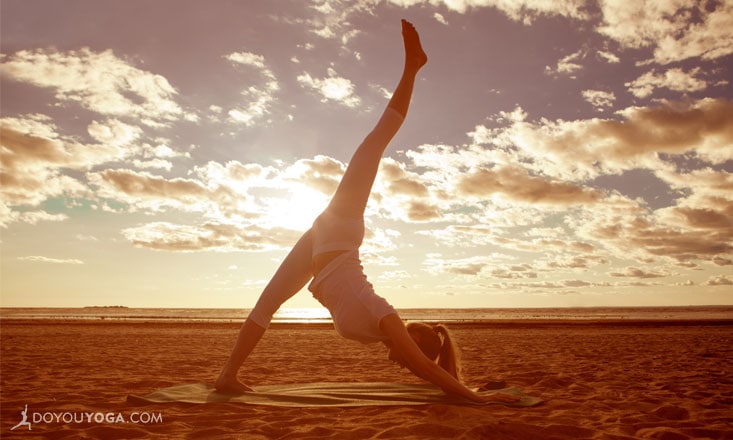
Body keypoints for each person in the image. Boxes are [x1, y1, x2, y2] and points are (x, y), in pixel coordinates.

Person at [216, 19, 518, 404]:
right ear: (413, 339)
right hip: (338, 235)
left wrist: (456, 384)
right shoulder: (386, 318)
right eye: (409, 353)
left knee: (267, 303)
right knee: (374, 145)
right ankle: (412, 67)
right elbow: (425, 366)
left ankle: (227, 376)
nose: (402, 362)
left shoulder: (385, 333)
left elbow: (426, 369)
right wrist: (476, 399)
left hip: (320, 248)